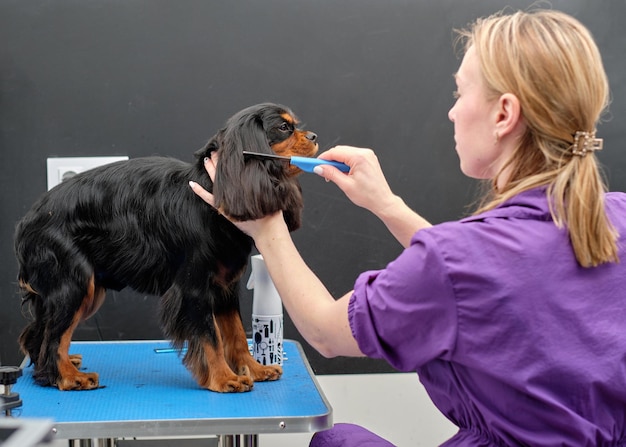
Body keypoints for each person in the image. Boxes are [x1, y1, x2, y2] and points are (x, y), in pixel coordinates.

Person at [189, 8, 626, 446]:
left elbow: (325, 331)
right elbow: (483, 274)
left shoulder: (453, 263)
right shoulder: (617, 215)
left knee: (336, 441)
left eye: (460, 93)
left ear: (504, 114)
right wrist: (387, 206)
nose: (453, 113)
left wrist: (267, 229)